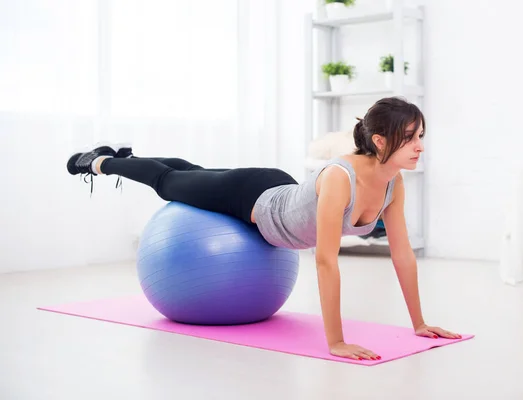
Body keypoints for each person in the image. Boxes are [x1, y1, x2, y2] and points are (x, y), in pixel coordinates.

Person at [66, 96, 460, 361]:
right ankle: (100, 162)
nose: (420, 146)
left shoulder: (394, 183)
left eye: (420, 136)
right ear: (379, 140)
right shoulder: (342, 178)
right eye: (410, 138)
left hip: (280, 188)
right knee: (170, 182)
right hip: (252, 198)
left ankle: (128, 157)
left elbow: (402, 253)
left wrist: (420, 324)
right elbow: (324, 261)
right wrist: (335, 342)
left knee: (193, 174)